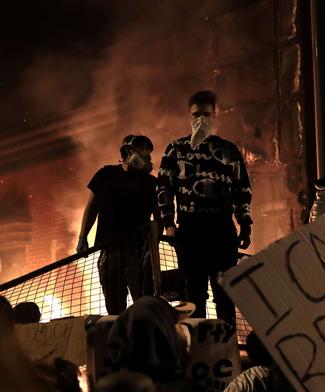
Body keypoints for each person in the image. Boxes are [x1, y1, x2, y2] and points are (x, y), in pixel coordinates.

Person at [157, 90, 252, 322]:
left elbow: (242, 189)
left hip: (221, 228)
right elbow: (163, 189)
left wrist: (245, 223)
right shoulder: (175, 150)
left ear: (215, 115)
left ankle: (225, 347)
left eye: (207, 114)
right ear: (189, 116)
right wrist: (169, 223)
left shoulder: (229, 151)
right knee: (194, 294)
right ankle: (198, 350)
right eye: (196, 114)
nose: (201, 119)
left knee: (225, 292)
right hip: (190, 229)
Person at [77, 134, 157, 314]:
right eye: (142, 151)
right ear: (127, 151)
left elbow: (157, 220)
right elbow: (92, 207)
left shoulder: (151, 183)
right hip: (110, 252)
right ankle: (121, 339)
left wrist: (153, 250)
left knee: (143, 304)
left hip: (138, 253)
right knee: (114, 307)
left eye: (148, 153)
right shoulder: (106, 174)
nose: (146, 156)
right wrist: (83, 236)